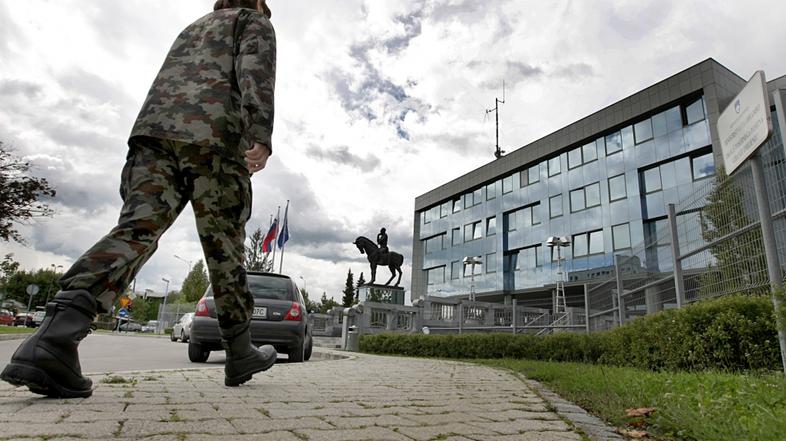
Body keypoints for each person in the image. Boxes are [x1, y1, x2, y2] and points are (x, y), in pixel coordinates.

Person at [1, 0, 277, 398]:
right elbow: (255, 72)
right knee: (225, 246)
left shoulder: (193, 26)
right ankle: (239, 351)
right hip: (214, 138)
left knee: (137, 229)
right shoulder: (253, 21)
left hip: (152, 136)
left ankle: (53, 338)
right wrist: (260, 133)